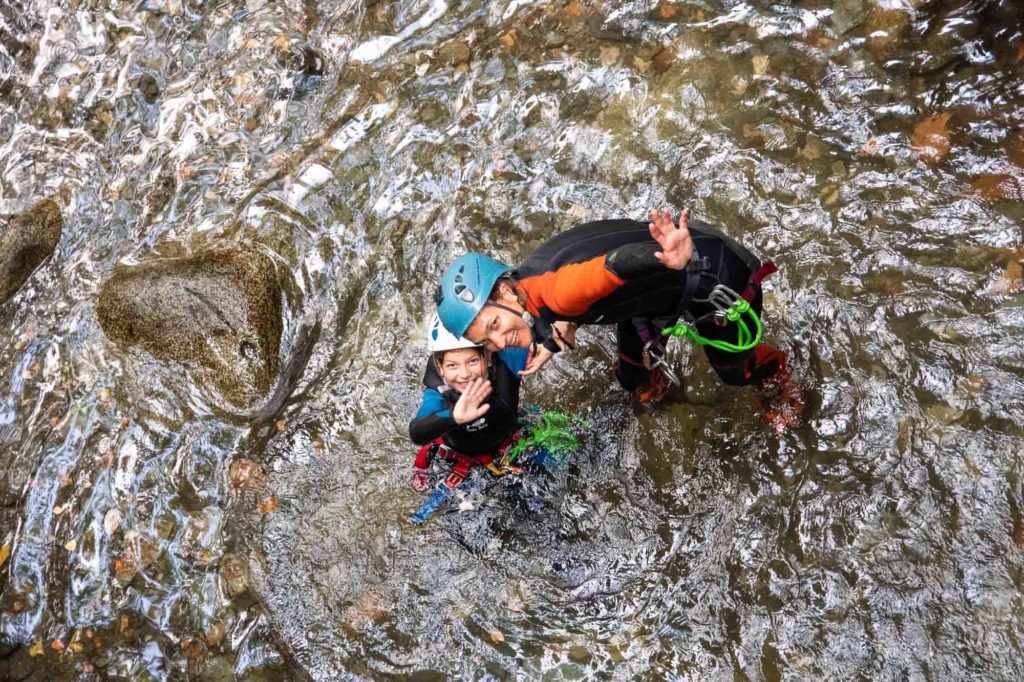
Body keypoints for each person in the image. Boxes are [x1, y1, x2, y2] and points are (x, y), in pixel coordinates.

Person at [434, 208, 803, 429]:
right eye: (486, 341)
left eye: (495, 326)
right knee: (632, 377)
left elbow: (609, 268)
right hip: (651, 296)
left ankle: (779, 375)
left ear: (504, 292)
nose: (499, 343)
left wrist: (662, 255)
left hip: (713, 278)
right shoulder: (528, 283)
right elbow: (579, 287)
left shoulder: (559, 293)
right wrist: (555, 332)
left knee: (735, 374)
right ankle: (658, 389)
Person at [407, 315, 528, 522]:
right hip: (460, 460)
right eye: (452, 366)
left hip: (510, 444)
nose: (464, 375)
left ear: (487, 357)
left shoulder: (506, 364)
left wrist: (550, 341)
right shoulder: (438, 394)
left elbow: (531, 322)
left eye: (472, 361)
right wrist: (454, 416)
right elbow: (417, 432)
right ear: (441, 367)